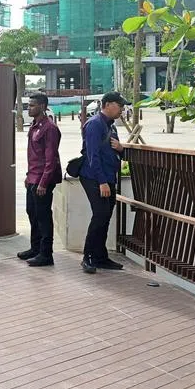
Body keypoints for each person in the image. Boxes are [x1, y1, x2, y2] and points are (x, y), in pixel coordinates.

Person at [79, 91, 128, 275]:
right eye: (119, 105)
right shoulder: (94, 125)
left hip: (108, 177)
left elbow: (115, 151)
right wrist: (102, 182)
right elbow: (93, 156)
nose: (122, 109)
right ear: (107, 104)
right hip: (94, 177)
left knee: (106, 216)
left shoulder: (111, 126)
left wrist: (122, 149)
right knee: (99, 215)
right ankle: (88, 257)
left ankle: (100, 256)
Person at [19, 93, 62, 267]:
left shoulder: (49, 128)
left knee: (43, 216)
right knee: (32, 213)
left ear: (42, 106)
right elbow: (33, 156)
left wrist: (43, 182)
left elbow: (50, 159)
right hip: (33, 177)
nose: (29, 108)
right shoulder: (34, 126)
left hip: (43, 180)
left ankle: (46, 254)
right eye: (28, 105)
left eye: (32, 105)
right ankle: (35, 248)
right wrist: (29, 176)